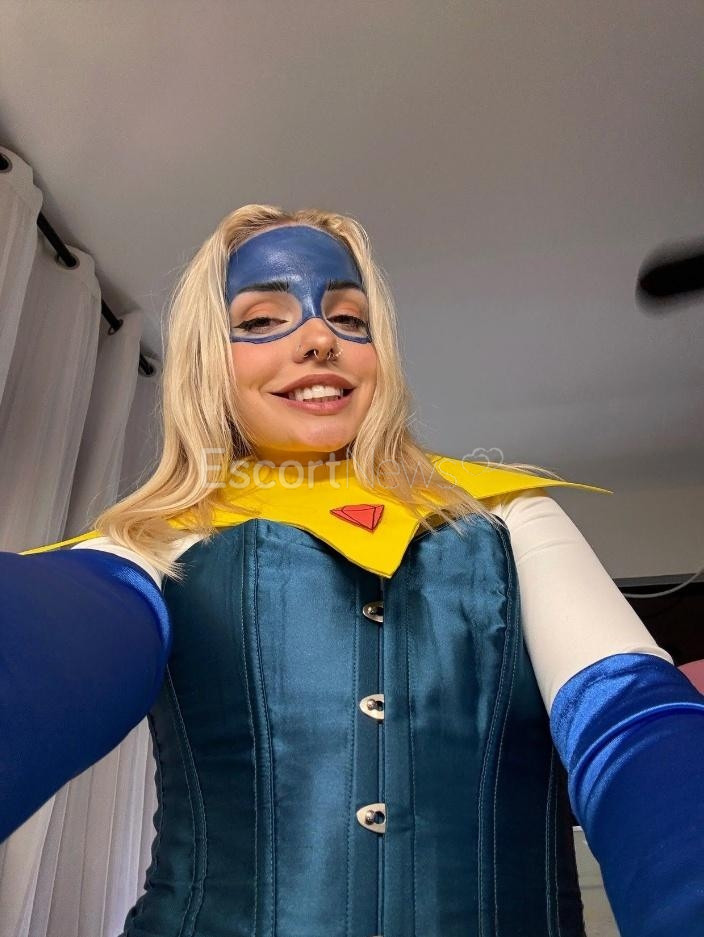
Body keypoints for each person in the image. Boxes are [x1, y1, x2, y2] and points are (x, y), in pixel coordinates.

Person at [2, 205, 703, 937]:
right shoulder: (158, 540)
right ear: (210, 358)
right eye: (262, 320)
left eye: (348, 318)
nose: (319, 339)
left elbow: (630, 716)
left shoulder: (508, 516)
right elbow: (53, 637)